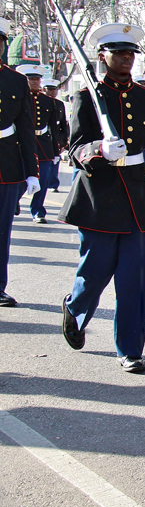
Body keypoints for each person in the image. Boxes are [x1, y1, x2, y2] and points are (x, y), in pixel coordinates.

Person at [58, 22, 145, 373]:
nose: (126, 58)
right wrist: (98, 149)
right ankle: (76, 309)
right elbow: (74, 148)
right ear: (102, 56)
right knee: (94, 271)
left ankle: (130, 349)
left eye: (130, 53)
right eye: (118, 52)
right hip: (99, 198)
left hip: (138, 200)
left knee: (135, 279)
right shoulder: (86, 97)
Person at [0, 19, 40, 307]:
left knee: (2, 231)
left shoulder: (15, 80)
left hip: (6, 166)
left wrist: (31, 171)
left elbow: (25, 127)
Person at [16, 65, 61, 224]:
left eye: (37, 79)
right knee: (20, 178)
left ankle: (38, 211)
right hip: (21, 143)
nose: (35, 82)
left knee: (43, 180)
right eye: (31, 79)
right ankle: (15, 200)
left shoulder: (48, 101)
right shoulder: (18, 97)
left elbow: (54, 128)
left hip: (42, 144)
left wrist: (56, 151)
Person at [42, 78, 68, 193]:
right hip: (43, 136)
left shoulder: (59, 104)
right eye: (50, 89)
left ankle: (53, 183)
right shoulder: (41, 101)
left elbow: (63, 123)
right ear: (44, 89)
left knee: (55, 161)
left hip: (56, 137)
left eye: (54, 89)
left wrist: (64, 141)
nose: (53, 92)